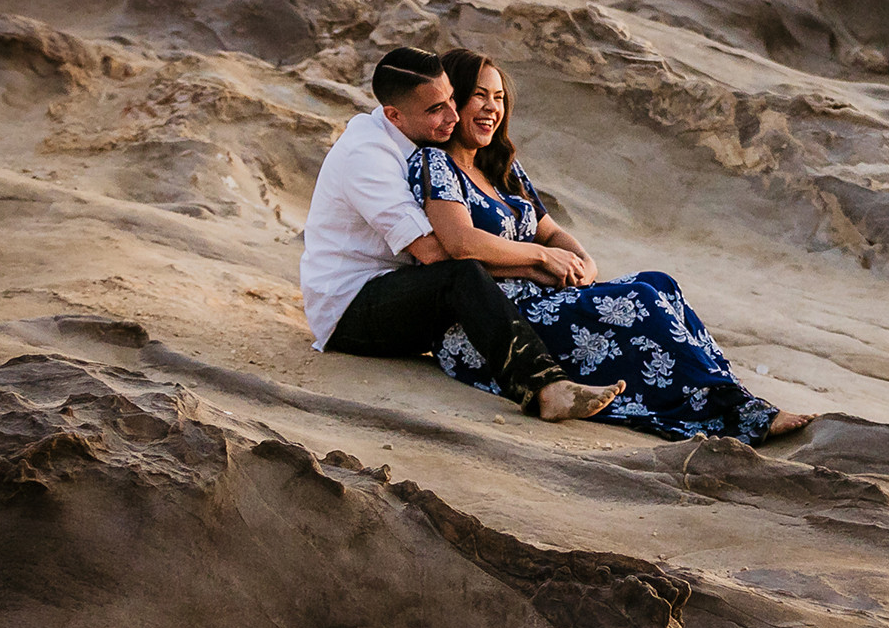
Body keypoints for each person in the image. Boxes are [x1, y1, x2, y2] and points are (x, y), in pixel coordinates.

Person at [407, 47, 813, 444]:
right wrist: (543, 258)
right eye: (479, 95)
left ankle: (731, 397)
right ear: (452, 101)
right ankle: (733, 411)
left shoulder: (501, 168)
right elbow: (461, 245)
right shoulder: (435, 164)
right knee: (638, 300)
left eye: (498, 97)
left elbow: (549, 230)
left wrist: (583, 260)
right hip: (495, 323)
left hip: (545, 297)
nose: (491, 108)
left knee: (659, 283)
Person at [300, 46, 619, 423]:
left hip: (402, 286)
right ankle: (545, 388)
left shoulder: (423, 144)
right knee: (461, 276)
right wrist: (535, 261)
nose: (453, 116)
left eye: (452, 99)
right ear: (394, 115)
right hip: (350, 309)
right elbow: (437, 253)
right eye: (435, 109)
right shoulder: (368, 157)